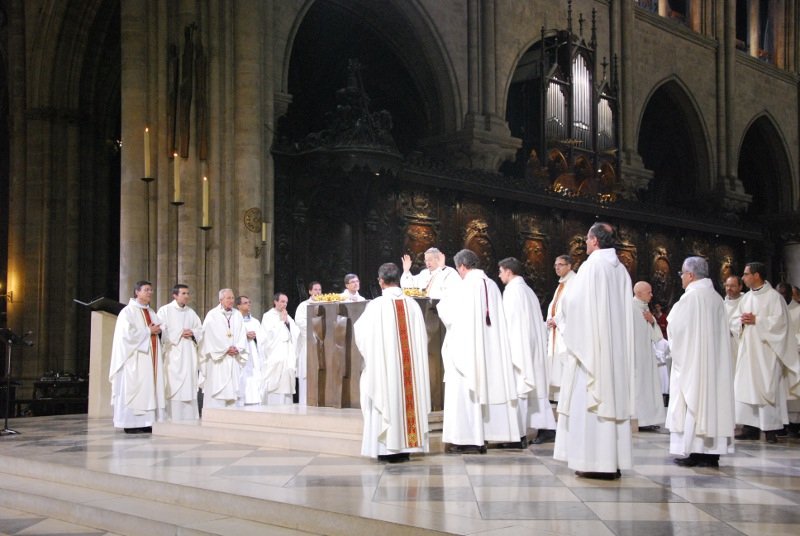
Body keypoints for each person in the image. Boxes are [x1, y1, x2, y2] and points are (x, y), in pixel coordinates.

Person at [553, 222, 634, 480]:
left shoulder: (590, 267)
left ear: (595, 241)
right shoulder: (620, 270)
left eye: (587, 239)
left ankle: (595, 462)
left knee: (590, 402)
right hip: (613, 351)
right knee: (612, 396)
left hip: (591, 351)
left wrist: (562, 320)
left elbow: (574, 305)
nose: (585, 244)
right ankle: (614, 461)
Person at [436, 249, 522, 453]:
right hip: (492, 348)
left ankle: (469, 439)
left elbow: (449, 314)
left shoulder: (464, 286)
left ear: (462, 267)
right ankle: (499, 435)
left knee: (465, 387)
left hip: (468, 348)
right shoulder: (491, 284)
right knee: (493, 382)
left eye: (458, 269)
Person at [354, 262, 431, 462]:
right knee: (407, 398)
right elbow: (423, 339)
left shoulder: (376, 306)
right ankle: (406, 447)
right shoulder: (413, 305)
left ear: (381, 281)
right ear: (398, 280)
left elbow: (361, 335)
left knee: (384, 396)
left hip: (385, 370)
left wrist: (373, 357)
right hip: (409, 373)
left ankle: (386, 449)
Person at [666, 256, 735, 468]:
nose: (681, 279)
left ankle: (696, 451)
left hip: (694, 363)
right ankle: (712, 452)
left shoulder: (690, 298)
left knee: (694, 400)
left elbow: (676, 329)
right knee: (713, 402)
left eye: (681, 274)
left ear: (690, 275)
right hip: (714, 364)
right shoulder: (715, 298)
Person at [732, 263, 800, 443]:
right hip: (748, 350)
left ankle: (771, 429)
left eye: (746, 274)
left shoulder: (773, 297)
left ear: (756, 275)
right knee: (746, 386)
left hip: (767, 352)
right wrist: (741, 322)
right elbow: (735, 321)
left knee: (767, 387)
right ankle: (749, 427)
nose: (743, 277)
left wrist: (758, 320)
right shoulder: (746, 298)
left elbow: (781, 324)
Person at [499, 257, 554, 445]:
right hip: (532, 345)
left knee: (520, 388)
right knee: (534, 387)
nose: (499, 275)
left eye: (500, 271)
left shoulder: (512, 292)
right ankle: (547, 428)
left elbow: (511, 322)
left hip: (519, 346)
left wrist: (506, 347)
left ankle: (518, 435)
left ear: (508, 271)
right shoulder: (527, 290)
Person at [109, 280, 165, 433]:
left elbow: (159, 327)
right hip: (135, 359)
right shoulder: (127, 312)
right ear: (137, 292)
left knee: (149, 388)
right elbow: (126, 336)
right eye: (146, 289)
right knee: (135, 389)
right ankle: (131, 423)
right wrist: (148, 331)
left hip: (150, 358)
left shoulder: (151, 312)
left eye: (151, 290)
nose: (150, 292)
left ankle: (147, 422)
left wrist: (160, 330)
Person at [538, 254, 576, 444]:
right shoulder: (561, 283)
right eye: (555, 265)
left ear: (570, 265)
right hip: (555, 333)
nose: (557, 268)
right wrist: (550, 319)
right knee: (556, 372)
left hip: (564, 335)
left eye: (560, 265)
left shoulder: (574, 282)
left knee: (564, 371)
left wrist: (557, 320)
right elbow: (555, 307)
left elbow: (571, 307)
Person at [157, 284, 203, 421]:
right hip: (173, 354)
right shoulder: (165, 311)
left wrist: (193, 333)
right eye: (183, 293)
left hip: (189, 354)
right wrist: (179, 333)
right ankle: (172, 416)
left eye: (188, 293)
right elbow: (162, 330)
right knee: (172, 384)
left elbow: (200, 330)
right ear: (175, 295)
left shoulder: (191, 312)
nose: (187, 296)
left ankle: (190, 416)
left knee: (189, 383)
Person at [200, 289, 248, 408]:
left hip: (233, 358)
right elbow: (209, 336)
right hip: (218, 359)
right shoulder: (212, 315)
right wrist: (225, 349)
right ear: (221, 300)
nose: (231, 300)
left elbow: (242, 334)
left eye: (232, 298)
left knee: (232, 391)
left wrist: (237, 348)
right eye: (228, 298)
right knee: (218, 390)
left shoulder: (237, 315)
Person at [631, 281, 666, 430]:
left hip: (647, 355)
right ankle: (640, 420)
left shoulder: (645, 308)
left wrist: (652, 321)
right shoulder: (631, 308)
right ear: (638, 293)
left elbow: (655, 335)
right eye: (649, 292)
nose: (652, 295)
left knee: (649, 387)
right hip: (636, 356)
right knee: (639, 387)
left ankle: (649, 419)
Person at [262, 292, 300, 405]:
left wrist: (287, 322)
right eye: (282, 301)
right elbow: (267, 336)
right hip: (275, 353)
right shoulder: (268, 316)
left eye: (286, 302)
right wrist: (281, 322)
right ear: (275, 302)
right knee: (276, 381)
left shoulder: (287, 316)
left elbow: (295, 332)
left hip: (287, 352)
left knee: (287, 378)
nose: (285, 304)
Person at [235, 295, 266, 406]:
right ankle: (241, 400)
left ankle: (254, 399)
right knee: (242, 375)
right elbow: (231, 336)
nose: (248, 304)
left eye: (249, 302)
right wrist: (245, 335)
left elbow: (263, 339)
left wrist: (256, 336)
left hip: (253, 351)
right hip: (241, 354)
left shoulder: (255, 322)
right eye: (245, 303)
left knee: (254, 374)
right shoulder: (235, 320)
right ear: (238, 305)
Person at [294, 281, 322, 406]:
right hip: (308, 343)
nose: (317, 292)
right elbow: (300, 322)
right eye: (315, 289)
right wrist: (315, 329)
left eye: (319, 290)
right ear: (310, 291)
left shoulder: (325, 304)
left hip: (323, 344)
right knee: (306, 374)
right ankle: (304, 403)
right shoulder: (303, 305)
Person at [724, 275, 745, 364]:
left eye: (732, 286)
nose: (729, 288)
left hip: (741, 346)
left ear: (740, 287)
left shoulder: (746, 302)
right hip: (725, 347)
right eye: (727, 286)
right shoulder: (722, 305)